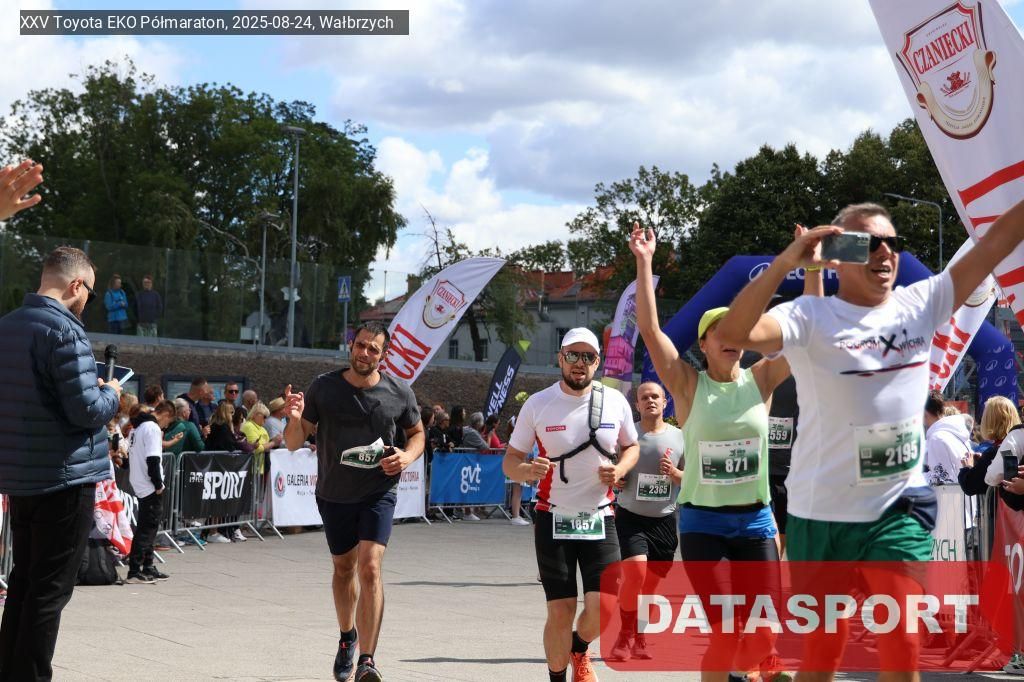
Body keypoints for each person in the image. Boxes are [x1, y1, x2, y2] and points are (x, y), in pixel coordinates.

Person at [717, 198, 1024, 678]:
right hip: (822, 511)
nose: (884, 252)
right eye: (868, 243)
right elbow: (733, 333)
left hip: (897, 509)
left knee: (901, 641)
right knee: (824, 653)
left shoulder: (920, 303)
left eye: (892, 242)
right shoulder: (810, 317)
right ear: (837, 257)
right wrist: (786, 261)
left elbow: (994, 245)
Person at [630, 224, 795, 682]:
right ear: (703, 344)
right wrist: (644, 261)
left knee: (763, 631)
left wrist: (814, 272)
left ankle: (746, 671)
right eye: (719, 330)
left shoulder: (762, 379)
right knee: (726, 632)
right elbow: (650, 329)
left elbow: (806, 336)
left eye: (738, 329)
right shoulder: (687, 385)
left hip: (756, 521)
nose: (731, 335)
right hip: (704, 524)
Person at [0, 245, 122, 680]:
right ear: (76, 284)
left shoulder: (7, 326)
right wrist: (112, 394)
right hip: (64, 478)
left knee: (24, 582)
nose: (88, 299)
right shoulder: (65, 331)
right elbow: (86, 410)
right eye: (90, 290)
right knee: (49, 591)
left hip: (22, 477)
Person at [284, 321, 425, 682]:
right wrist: (295, 419)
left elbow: (417, 434)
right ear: (351, 346)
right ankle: (347, 636)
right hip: (334, 493)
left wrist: (407, 457)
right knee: (343, 568)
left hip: (379, 490)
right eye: (360, 345)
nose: (364, 353)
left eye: (373, 349)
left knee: (370, 567)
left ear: (384, 355)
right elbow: (294, 442)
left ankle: (367, 659)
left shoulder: (399, 391)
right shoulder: (324, 386)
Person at [503, 327, 639, 682]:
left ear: (598, 362)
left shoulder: (615, 401)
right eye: (573, 355)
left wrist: (620, 469)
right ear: (560, 358)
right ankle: (558, 677)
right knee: (561, 610)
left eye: (588, 356)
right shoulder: (538, 404)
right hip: (553, 517)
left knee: (605, 607)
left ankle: (579, 647)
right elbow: (510, 461)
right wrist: (527, 470)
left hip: (600, 517)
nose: (580, 363)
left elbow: (632, 446)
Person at [608, 381, 685, 663]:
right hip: (631, 517)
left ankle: (640, 636)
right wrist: (618, 479)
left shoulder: (680, 437)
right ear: (637, 405)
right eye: (644, 397)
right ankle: (624, 635)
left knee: (651, 588)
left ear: (665, 402)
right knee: (635, 575)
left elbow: (692, 480)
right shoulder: (627, 436)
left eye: (655, 396)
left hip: (664, 521)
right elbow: (612, 473)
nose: (650, 401)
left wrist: (674, 473)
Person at [126, 400, 175, 583]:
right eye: (168, 422)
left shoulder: (136, 428)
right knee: (147, 528)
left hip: (139, 481)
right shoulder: (152, 428)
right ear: (166, 414)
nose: (165, 426)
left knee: (148, 526)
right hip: (149, 484)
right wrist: (158, 484)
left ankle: (147, 566)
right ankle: (134, 570)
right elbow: (153, 459)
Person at [924, 391, 972, 486]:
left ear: (924, 413)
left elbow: (943, 480)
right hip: (961, 491)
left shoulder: (937, 438)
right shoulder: (953, 432)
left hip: (951, 493)